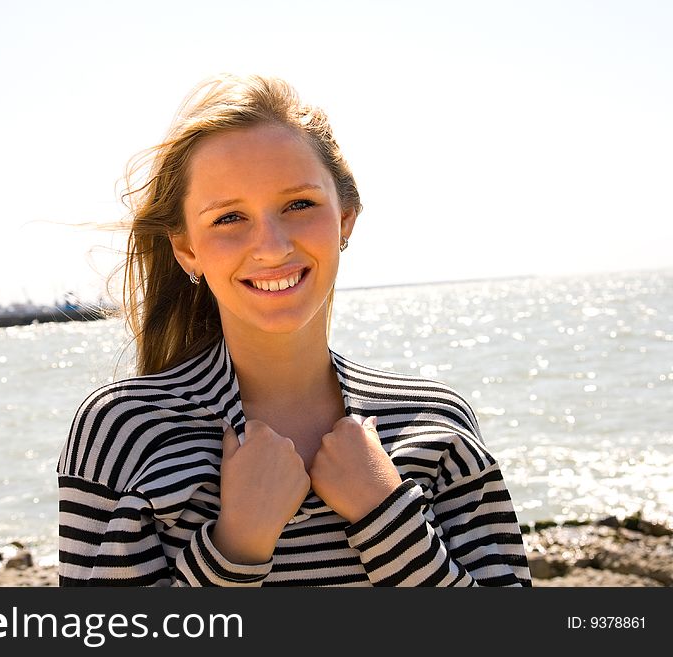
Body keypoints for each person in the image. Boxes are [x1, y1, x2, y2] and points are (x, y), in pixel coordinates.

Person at [57, 73, 532, 586]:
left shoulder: (437, 422)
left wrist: (387, 517)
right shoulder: (124, 431)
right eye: (228, 218)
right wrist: (236, 545)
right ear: (187, 248)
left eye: (299, 205)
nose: (273, 246)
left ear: (345, 218)